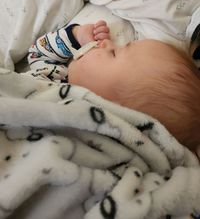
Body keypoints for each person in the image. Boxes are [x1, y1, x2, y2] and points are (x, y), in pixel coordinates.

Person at [28, 21, 200, 153]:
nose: (105, 43)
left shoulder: (81, 139)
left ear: (114, 110)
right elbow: (37, 55)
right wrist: (75, 36)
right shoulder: (57, 78)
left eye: (114, 53)